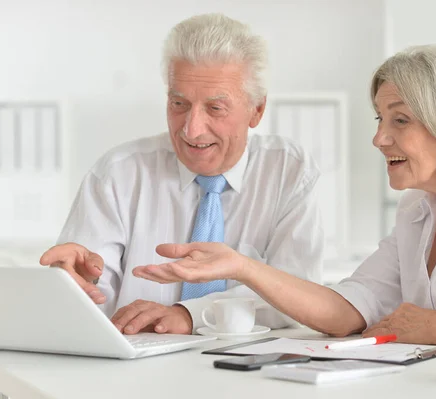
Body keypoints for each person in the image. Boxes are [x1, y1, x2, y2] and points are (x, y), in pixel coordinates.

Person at [133, 45, 436, 348]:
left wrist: (431, 327)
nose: (379, 140)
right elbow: (348, 310)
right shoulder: (421, 209)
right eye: (379, 120)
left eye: (400, 120)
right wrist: (241, 266)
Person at [39, 13, 323, 335]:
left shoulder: (289, 172)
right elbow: (86, 301)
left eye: (215, 108)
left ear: (256, 110)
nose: (191, 129)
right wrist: (76, 286)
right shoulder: (117, 174)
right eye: (179, 103)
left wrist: (190, 315)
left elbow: (300, 295)